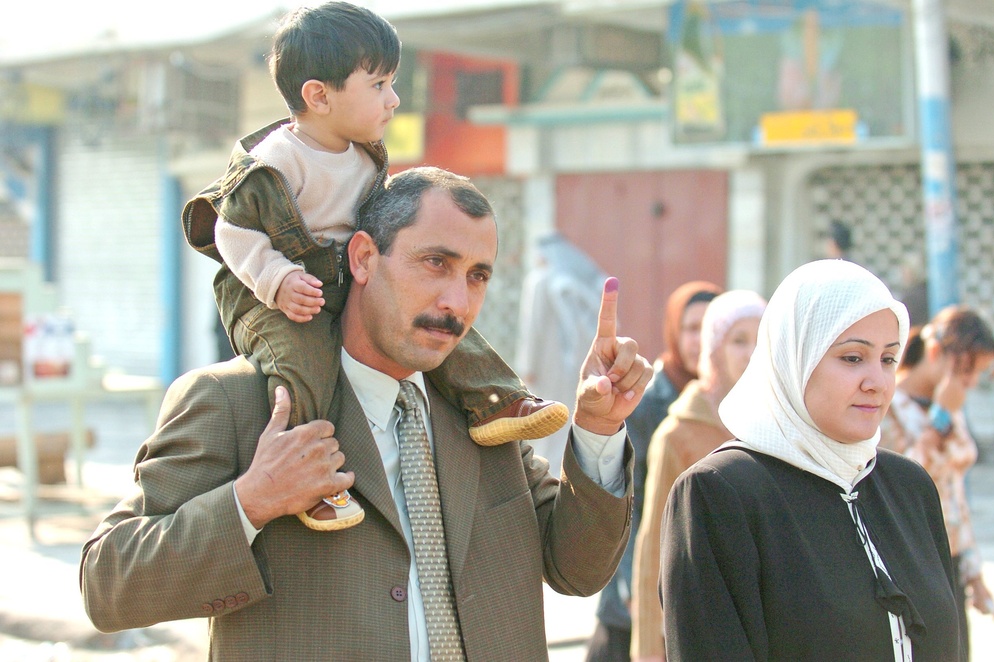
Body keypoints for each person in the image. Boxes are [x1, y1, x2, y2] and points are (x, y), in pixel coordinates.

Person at [80, 167, 652, 661]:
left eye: (477, 275)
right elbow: (109, 585)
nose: (457, 301)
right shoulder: (239, 404)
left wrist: (598, 433)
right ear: (362, 258)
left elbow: (577, 569)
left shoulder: (485, 413)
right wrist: (251, 502)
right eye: (435, 263)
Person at [181, 2, 567, 531]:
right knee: (301, 369)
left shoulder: (364, 154)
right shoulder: (275, 161)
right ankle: (310, 482)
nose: (394, 99)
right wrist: (278, 279)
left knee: (444, 324)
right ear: (318, 95)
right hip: (274, 294)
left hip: (341, 275)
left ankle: (496, 402)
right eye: (379, 85)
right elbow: (231, 231)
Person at [660, 259, 962, 661]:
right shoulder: (721, 493)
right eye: (853, 358)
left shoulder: (909, 486)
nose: (877, 381)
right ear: (795, 359)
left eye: (888, 359)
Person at [584, 281, 721, 661]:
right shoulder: (647, 403)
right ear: (675, 331)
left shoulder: (729, 407)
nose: (700, 341)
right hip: (634, 605)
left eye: (710, 329)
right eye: (692, 328)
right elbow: (627, 503)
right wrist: (635, 590)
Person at [631, 289, 765, 661]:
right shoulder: (678, 433)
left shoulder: (775, 428)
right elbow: (654, 545)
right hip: (702, 624)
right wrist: (648, 648)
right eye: (739, 340)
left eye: (760, 340)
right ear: (714, 348)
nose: (751, 352)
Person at [880, 305, 994, 661]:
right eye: (966, 372)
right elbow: (903, 480)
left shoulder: (951, 406)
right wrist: (941, 418)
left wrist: (973, 572)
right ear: (936, 354)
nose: (971, 383)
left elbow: (955, 492)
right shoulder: (888, 405)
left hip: (949, 557)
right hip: (907, 557)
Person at [515, 232, 607, 476]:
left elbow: (533, 328)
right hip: (576, 369)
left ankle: (547, 478)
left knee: (546, 425)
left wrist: (528, 367)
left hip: (547, 367)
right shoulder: (574, 281)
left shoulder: (540, 280)